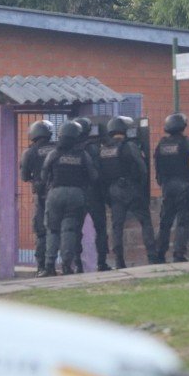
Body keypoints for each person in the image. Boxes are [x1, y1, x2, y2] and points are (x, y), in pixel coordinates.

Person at [39, 121, 97, 277]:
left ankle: (49, 266)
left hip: (55, 193)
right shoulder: (83, 155)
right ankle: (66, 266)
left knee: (52, 230)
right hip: (76, 194)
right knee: (69, 230)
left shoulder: (53, 153)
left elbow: (44, 175)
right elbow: (93, 176)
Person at [99, 116, 158, 268]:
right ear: (124, 130)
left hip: (113, 191)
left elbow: (100, 174)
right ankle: (152, 257)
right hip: (132, 188)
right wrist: (141, 187)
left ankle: (119, 261)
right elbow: (142, 168)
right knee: (145, 221)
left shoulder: (104, 149)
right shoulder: (130, 146)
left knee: (117, 226)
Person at [154, 113, 189, 263]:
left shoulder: (161, 145)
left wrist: (163, 183)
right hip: (185, 187)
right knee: (182, 222)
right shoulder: (188, 144)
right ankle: (179, 254)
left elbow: (157, 168)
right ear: (183, 126)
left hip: (167, 187)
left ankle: (159, 254)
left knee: (165, 222)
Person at [74, 116, 112, 272]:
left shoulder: (71, 149)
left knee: (76, 230)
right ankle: (102, 262)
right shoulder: (94, 148)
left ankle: (77, 264)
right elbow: (100, 173)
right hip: (94, 193)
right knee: (101, 229)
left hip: (78, 193)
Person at [19, 120, 56, 275]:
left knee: (41, 231)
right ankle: (63, 265)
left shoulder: (29, 152)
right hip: (57, 192)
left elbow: (24, 176)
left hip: (41, 195)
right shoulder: (57, 148)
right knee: (60, 229)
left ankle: (41, 267)